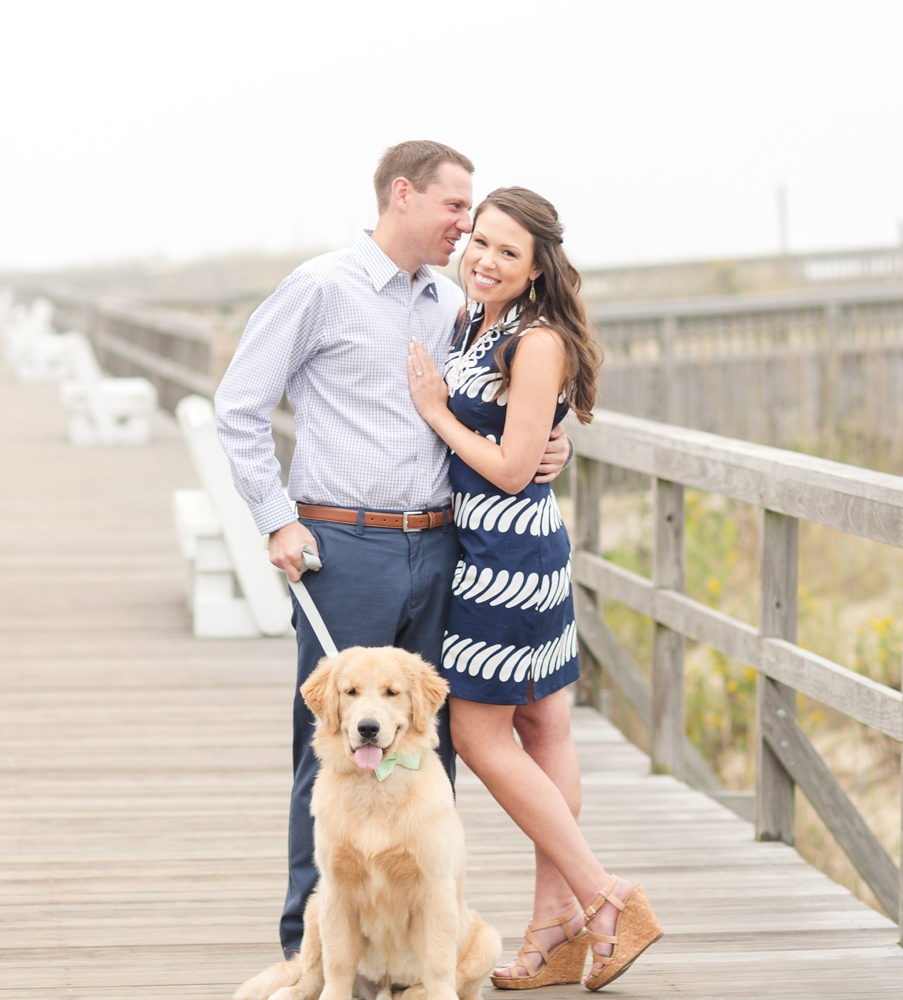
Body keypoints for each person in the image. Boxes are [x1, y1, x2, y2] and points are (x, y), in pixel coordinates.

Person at [215, 142, 572, 961]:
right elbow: (237, 405)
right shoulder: (320, 287)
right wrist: (276, 519)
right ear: (402, 195)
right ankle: (310, 949)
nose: (466, 228)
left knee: (425, 746)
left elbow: (500, 411)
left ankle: (418, 946)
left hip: (444, 545)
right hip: (344, 545)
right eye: (456, 209)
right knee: (340, 745)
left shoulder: (449, 304)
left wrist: (555, 450)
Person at [405, 186, 661, 992]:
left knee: (481, 738)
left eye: (507, 252)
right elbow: (528, 440)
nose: (484, 259)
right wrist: (546, 445)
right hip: (510, 546)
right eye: (478, 241)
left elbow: (513, 467)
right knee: (546, 726)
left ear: (538, 266)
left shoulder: (537, 338)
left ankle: (605, 896)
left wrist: (435, 413)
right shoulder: (473, 321)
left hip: (503, 560)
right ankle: (553, 933)